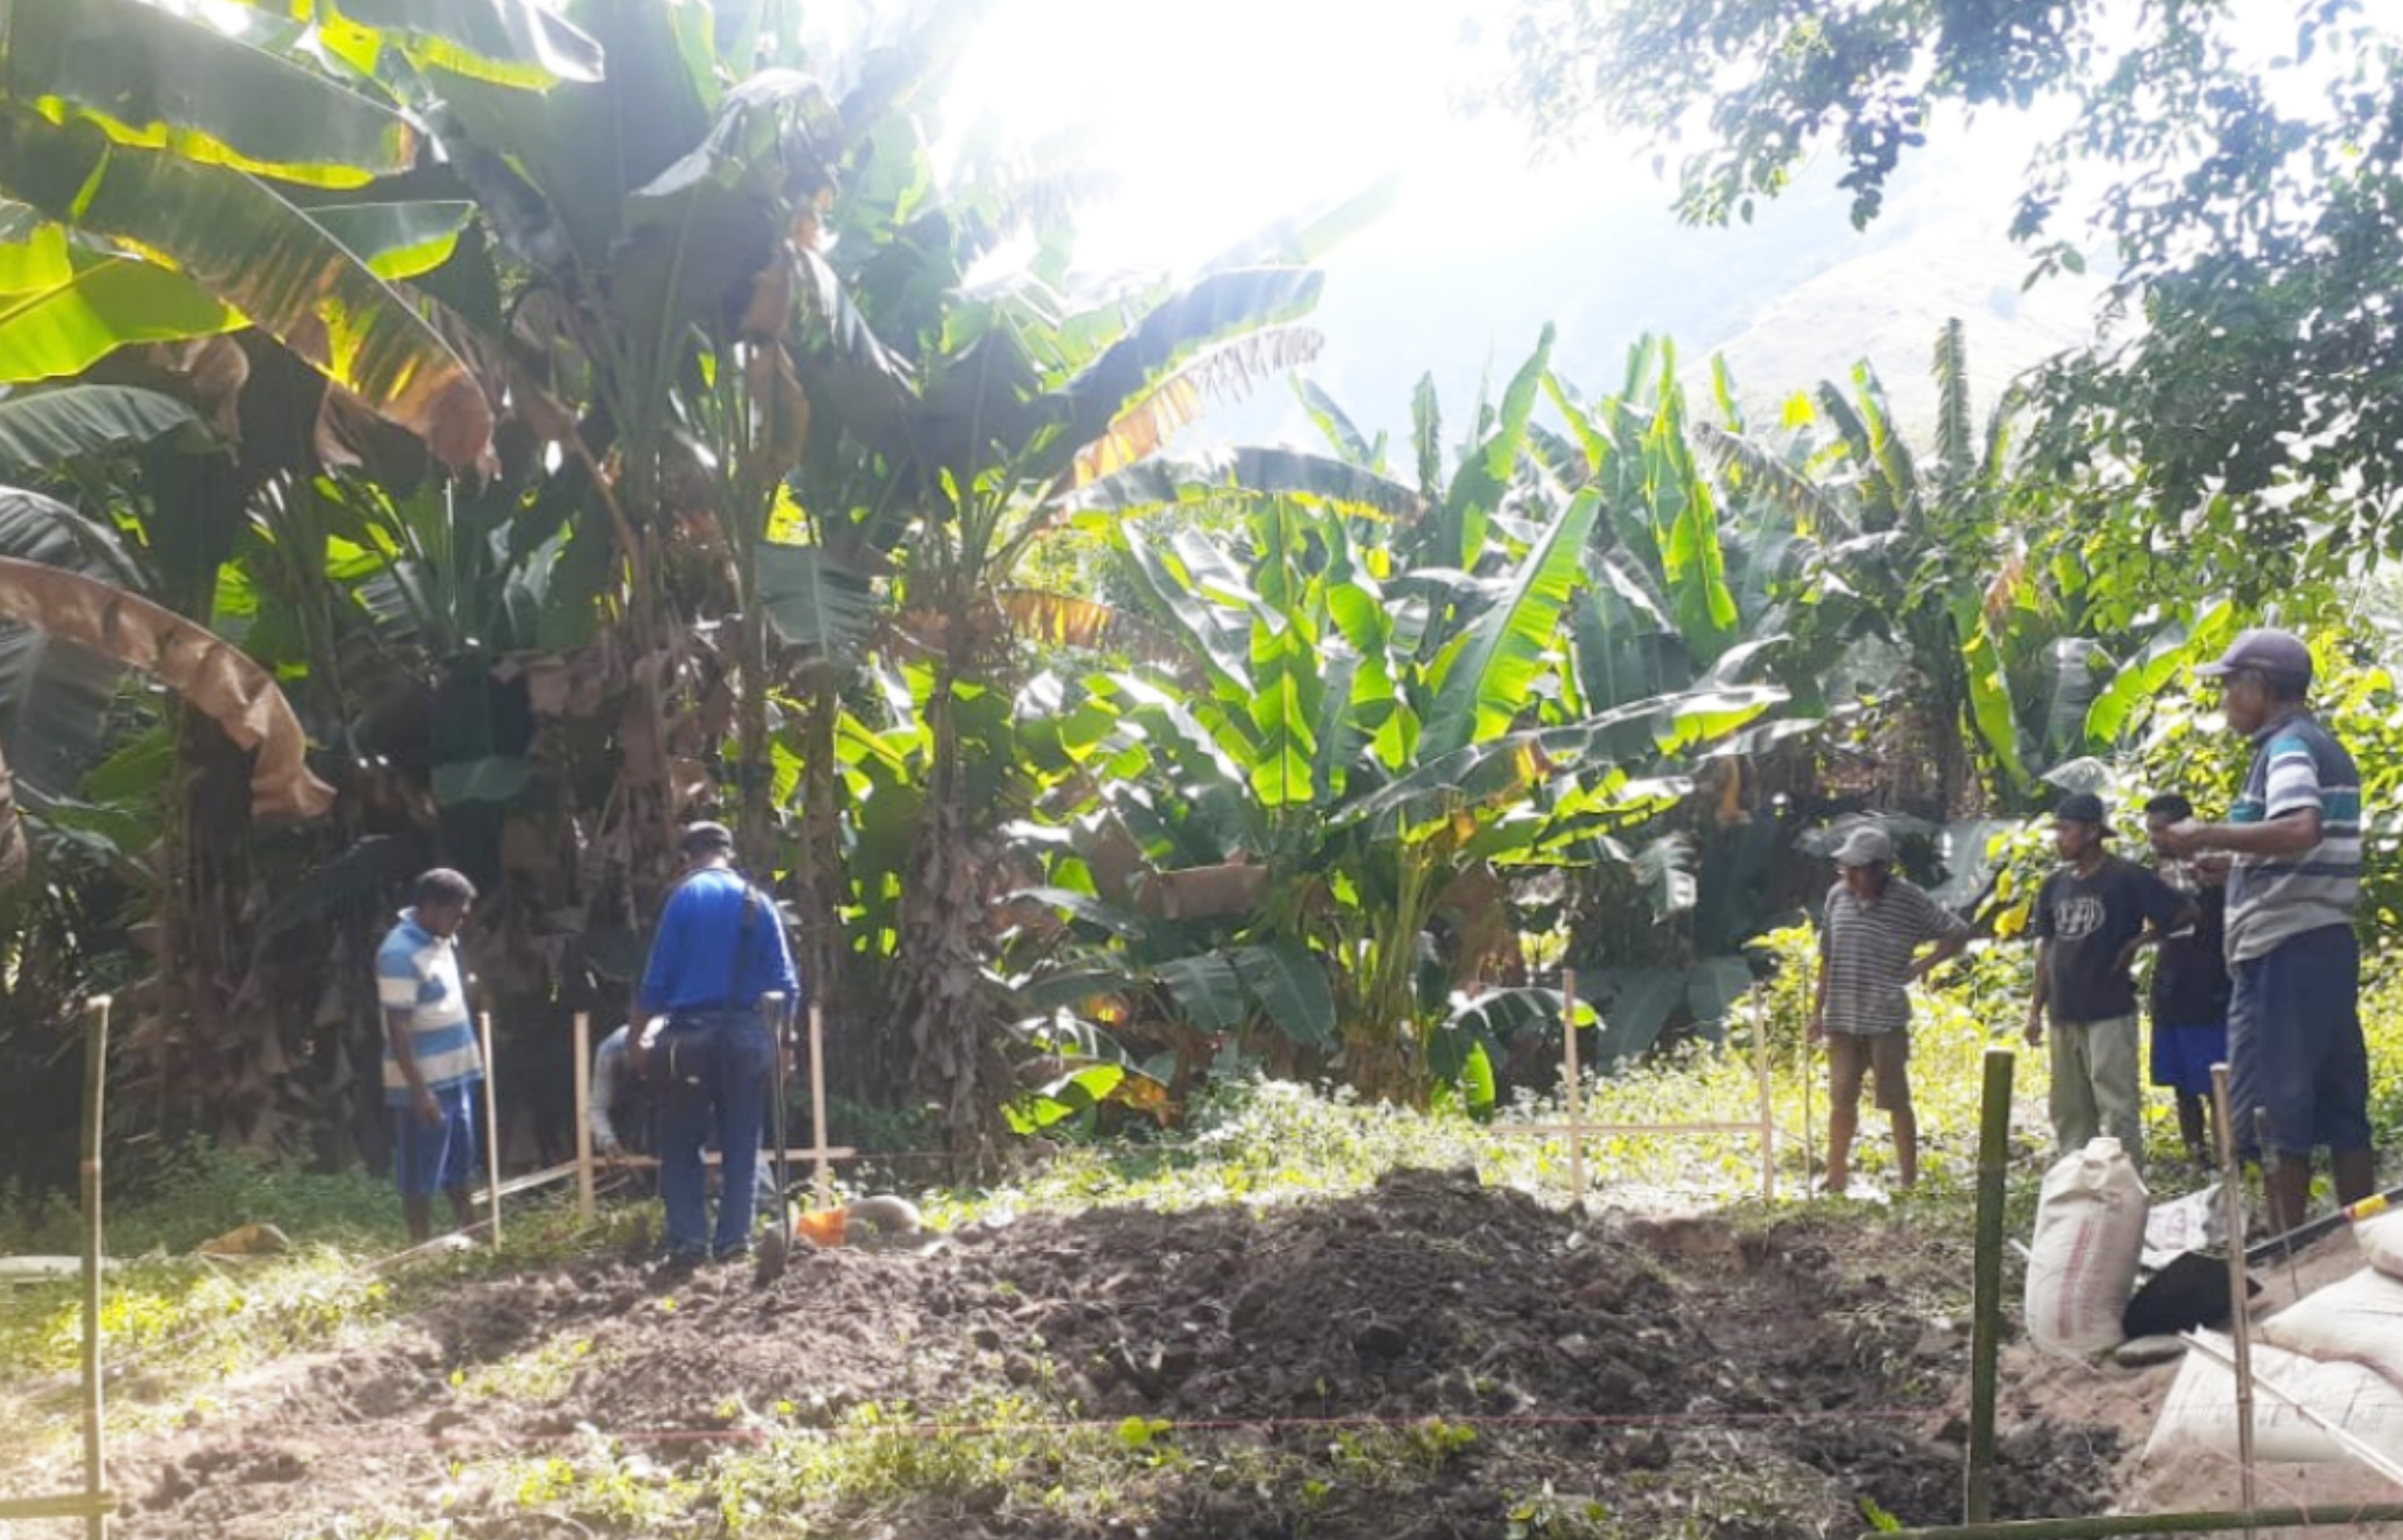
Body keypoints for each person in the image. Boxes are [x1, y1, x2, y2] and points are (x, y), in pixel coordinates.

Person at [2155, 627, 2372, 1234]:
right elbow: (2301, 844)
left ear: (2258, 685)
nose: (2224, 699)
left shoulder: (2288, 747)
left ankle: (2287, 1257)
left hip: (2284, 949)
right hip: (2322, 942)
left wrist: (2207, 834)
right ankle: (2362, 1243)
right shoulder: (2318, 745)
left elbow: (2300, 829)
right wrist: (2235, 862)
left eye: (2229, 686)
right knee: (2338, 1101)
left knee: (2275, 1108)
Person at [636, 822, 799, 1268]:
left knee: (682, 1141)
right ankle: (732, 1242)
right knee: (742, 1141)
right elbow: (786, 984)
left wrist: (637, 1038)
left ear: (688, 857)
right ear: (729, 853)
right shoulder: (758, 902)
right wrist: (786, 1045)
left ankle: (688, 1242)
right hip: (748, 1035)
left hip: (688, 1036)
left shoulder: (683, 899)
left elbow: (655, 982)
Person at [2024, 792, 2194, 1173]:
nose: (2059, 838)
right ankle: (2076, 1186)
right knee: (2069, 1109)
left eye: (2065, 830)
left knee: (2116, 1105)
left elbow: (2183, 912)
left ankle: (2123, 1184)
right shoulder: (2054, 885)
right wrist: (2036, 1009)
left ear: (2090, 832)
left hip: (2110, 1008)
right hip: (2064, 1010)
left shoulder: (2126, 876)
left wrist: (2139, 941)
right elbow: (2046, 948)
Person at [1812, 825, 1971, 1194]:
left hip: (1885, 1018)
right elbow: (1827, 957)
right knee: (1840, 1099)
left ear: (1881, 868)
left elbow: (1957, 931)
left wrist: (1919, 968)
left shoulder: (1908, 899)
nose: (1849, 875)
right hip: (1842, 1015)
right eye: (1845, 868)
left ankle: (1909, 1180)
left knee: (1895, 1100)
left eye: (1858, 869)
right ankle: (1835, 1177)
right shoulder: (1838, 896)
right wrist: (1816, 1013)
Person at [375, 869, 484, 1245]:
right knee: (420, 1167)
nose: (461, 922)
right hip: (424, 1082)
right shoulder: (398, 953)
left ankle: (471, 1229)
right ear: (432, 907)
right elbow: (399, 1027)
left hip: (457, 1072)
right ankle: (418, 1245)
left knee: (460, 1159)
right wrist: (420, 1091)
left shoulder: (442, 938)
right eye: (456, 913)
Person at [2144, 793, 2235, 1166]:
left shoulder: (2217, 871)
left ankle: (2229, 1153)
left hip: (2213, 985)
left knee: (2218, 1081)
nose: (2156, 838)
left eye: (2162, 830)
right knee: (2181, 1082)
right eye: (2150, 831)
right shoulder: (2153, 877)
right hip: (2171, 986)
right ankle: (2196, 1154)